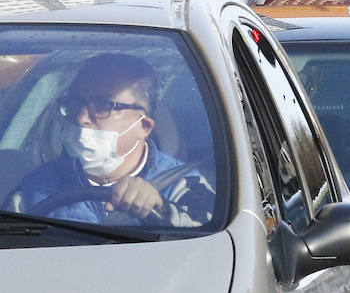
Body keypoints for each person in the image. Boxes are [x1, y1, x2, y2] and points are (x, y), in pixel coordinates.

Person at [6, 54, 215, 227]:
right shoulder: (34, 189)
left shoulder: (186, 187)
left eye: (103, 105)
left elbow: (211, 251)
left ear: (144, 127)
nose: (81, 117)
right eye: (75, 103)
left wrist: (161, 208)